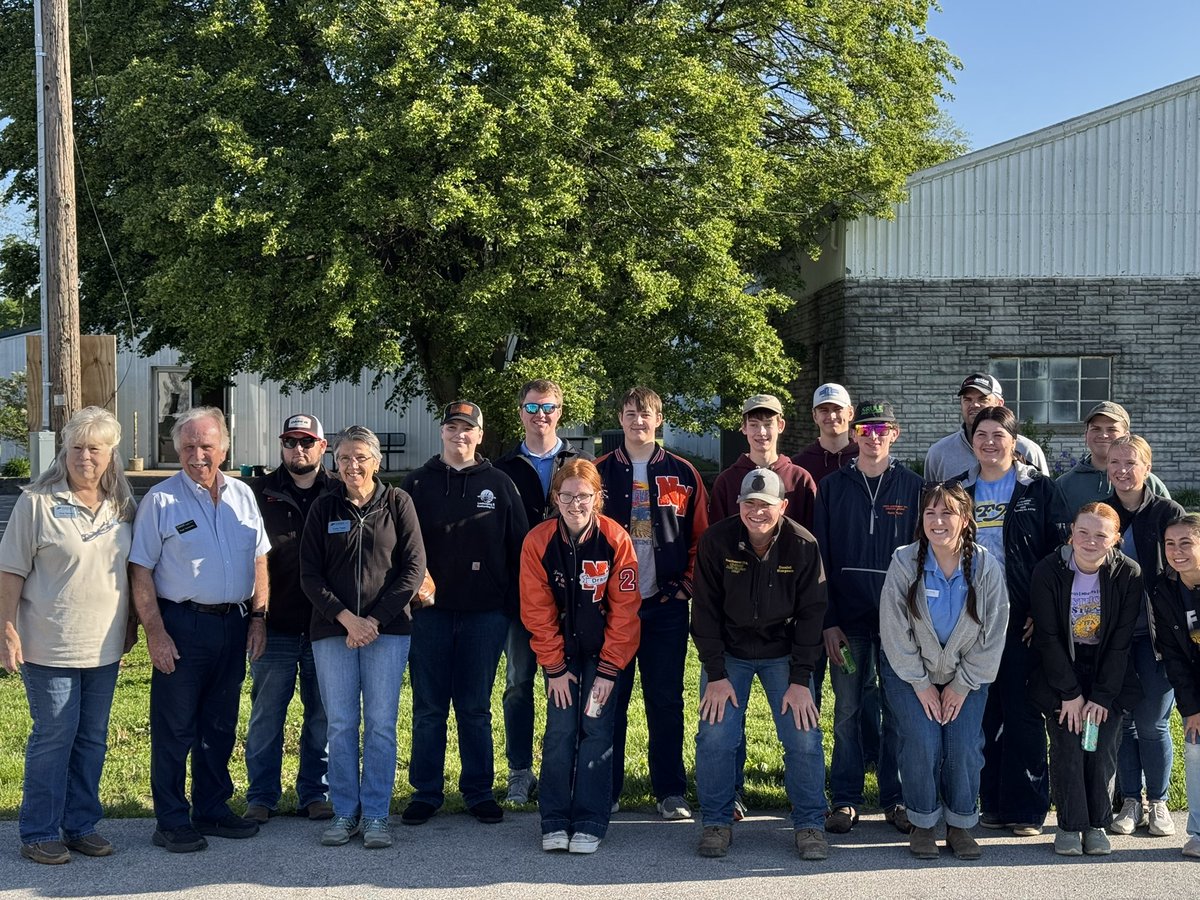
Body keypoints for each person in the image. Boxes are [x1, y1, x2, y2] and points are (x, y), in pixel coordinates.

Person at [129, 406, 271, 853]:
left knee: (220, 725)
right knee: (175, 729)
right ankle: (171, 820)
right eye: (188, 446)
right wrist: (155, 633)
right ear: (177, 450)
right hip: (182, 625)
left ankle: (211, 808)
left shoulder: (243, 495)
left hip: (234, 624)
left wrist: (259, 617)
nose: (197, 455)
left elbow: (260, 558)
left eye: (206, 446)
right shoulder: (160, 501)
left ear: (223, 448)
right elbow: (140, 570)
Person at [0, 407, 137, 865]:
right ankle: (39, 831)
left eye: (95, 449)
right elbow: (10, 570)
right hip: (48, 643)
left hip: (104, 646)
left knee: (92, 738)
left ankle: (81, 825)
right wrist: (6, 629)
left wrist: (132, 625)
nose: (85, 457)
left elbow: (129, 572)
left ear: (111, 454)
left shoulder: (122, 505)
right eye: (76, 447)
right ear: (64, 451)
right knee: (55, 735)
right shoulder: (37, 501)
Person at [401, 402, 529, 827]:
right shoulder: (416, 483)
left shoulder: (500, 484)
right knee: (429, 708)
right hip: (428, 615)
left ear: (479, 435)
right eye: (452, 426)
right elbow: (398, 547)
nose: (460, 434)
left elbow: (519, 549)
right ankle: (426, 792)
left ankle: (478, 792)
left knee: (475, 708)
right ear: (442, 431)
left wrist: (509, 606)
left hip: (485, 615)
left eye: (467, 428)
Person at [692, 468, 829, 861]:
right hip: (729, 653)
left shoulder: (803, 545)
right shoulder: (716, 540)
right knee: (715, 736)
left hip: (783, 654)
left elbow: (812, 614)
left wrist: (800, 679)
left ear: (782, 506)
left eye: (765, 504)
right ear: (739, 505)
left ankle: (809, 824)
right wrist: (715, 674)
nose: (757, 511)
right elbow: (704, 611)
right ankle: (716, 822)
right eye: (749, 503)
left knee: (803, 737)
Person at [301, 425, 426, 849]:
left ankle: (375, 815)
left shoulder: (398, 503)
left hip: (387, 632)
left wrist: (373, 620)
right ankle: (343, 812)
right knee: (340, 724)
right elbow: (309, 575)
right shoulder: (323, 507)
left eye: (360, 457)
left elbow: (413, 568)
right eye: (344, 458)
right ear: (334, 463)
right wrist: (346, 620)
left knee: (381, 725)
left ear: (377, 462)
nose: (351, 465)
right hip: (332, 631)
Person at [879, 482, 1009, 861]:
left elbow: (993, 632)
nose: (938, 521)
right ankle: (922, 823)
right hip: (909, 673)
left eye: (948, 512)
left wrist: (962, 684)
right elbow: (894, 630)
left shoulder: (984, 566)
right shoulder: (905, 561)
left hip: (966, 675)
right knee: (922, 742)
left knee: (963, 746)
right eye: (930, 513)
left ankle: (960, 825)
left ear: (965, 519)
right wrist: (921, 684)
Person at [596, 386, 709, 818]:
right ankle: (606, 790)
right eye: (630, 413)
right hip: (614, 609)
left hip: (665, 606)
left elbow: (701, 537)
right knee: (612, 699)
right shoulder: (599, 472)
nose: (638, 421)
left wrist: (685, 586)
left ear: (659, 420)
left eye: (645, 414)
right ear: (620, 419)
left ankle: (670, 791)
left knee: (665, 700)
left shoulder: (683, 472)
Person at [954, 405, 1065, 837]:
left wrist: (1041, 609)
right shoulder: (959, 490)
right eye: (980, 434)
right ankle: (993, 803)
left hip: (1022, 617)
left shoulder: (1038, 489)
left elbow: (1058, 555)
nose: (989, 442)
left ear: (1014, 442)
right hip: (969, 616)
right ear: (971, 442)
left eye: (998, 435)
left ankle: (1027, 809)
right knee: (985, 711)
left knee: (1022, 711)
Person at [520, 458, 641, 854]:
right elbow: (536, 610)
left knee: (597, 729)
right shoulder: (538, 542)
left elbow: (626, 611)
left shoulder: (616, 539)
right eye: (567, 496)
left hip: (604, 654)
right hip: (561, 655)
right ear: (555, 498)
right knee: (560, 731)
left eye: (584, 496)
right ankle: (554, 819)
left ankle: (591, 820)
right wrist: (554, 668)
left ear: (598, 498)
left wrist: (609, 670)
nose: (576, 504)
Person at [813, 400, 921, 835]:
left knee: (898, 712)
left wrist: (916, 621)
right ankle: (845, 798)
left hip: (899, 623)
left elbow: (924, 558)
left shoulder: (914, 487)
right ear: (854, 434)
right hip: (847, 622)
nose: (873, 437)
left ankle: (896, 799)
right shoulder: (832, 487)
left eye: (881, 429)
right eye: (865, 429)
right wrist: (828, 621)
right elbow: (820, 557)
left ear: (895, 434)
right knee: (847, 712)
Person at [495, 379, 593, 806]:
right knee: (519, 683)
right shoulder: (502, 468)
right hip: (521, 596)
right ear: (521, 411)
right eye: (533, 408)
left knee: (572, 683)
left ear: (560, 412)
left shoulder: (580, 462)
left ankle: (570, 769)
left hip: (575, 597)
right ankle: (520, 771)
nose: (541, 416)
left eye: (548, 407)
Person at [1028, 503, 1142, 856]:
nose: (1090, 541)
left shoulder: (1128, 573)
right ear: (1071, 534)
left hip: (1108, 672)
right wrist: (1070, 693)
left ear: (1116, 539)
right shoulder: (1049, 570)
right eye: (1083, 533)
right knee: (1067, 747)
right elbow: (1047, 636)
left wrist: (1102, 696)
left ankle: (1096, 824)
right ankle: (1069, 825)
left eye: (1100, 535)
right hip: (1062, 669)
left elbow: (1121, 641)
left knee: (1101, 747)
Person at [244, 414, 334, 824]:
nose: (298, 449)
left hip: (325, 627)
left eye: (307, 441)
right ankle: (261, 796)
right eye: (290, 441)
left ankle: (315, 793)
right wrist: (256, 616)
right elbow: (249, 557)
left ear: (322, 446)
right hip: (273, 625)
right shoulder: (257, 493)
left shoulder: (338, 491)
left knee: (322, 715)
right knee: (267, 716)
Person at [1102, 435, 1185, 837]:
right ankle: (1131, 801)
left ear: (1147, 468)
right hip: (1116, 637)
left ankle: (1159, 801)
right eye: (1115, 462)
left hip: (1158, 637)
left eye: (1131, 463)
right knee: (1124, 724)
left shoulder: (1167, 511)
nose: (1122, 470)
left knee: (1153, 723)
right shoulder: (1104, 513)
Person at [1152, 514, 1200, 858]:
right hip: (1193, 684)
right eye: (1170, 544)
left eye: (1186, 543)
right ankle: (1198, 833)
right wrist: (1192, 708)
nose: (1176, 551)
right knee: (1195, 748)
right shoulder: (1164, 590)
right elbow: (1173, 655)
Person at [709, 394, 816, 528]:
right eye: (754, 425)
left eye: (768, 424)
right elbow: (716, 534)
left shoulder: (800, 479)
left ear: (780, 426)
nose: (761, 432)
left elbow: (811, 533)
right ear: (744, 427)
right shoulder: (727, 481)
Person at [924, 373, 1049, 482]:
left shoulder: (1027, 450)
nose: (974, 404)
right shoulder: (939, 453)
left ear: (999, 404)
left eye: (983, 399)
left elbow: (1045, 495)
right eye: (967, 399)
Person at [1056, 402, 1170, 515]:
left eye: (1111, 429)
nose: (1103, 435)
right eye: (1096, 429)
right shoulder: (1064, 485)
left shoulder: (1150, 483)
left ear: (1126, 436)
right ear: (1086, 435)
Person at [792, 383, 859, 483]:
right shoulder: (799, 465)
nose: (831, 416)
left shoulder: (864, 458)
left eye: (837, 409)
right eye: (824, 410)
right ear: (815, 416)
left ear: (850, 413)